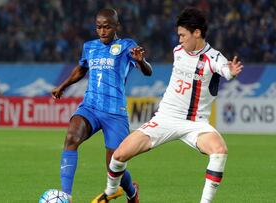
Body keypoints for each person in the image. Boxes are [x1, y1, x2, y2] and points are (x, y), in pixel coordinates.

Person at [92, 7, 243, 203]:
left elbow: (225, 69)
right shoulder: (178, 51)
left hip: (195, 123)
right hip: (165, 118)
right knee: (119, 155)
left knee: (219, 150)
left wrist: (230, 71)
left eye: (182, 35)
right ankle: (111, 190)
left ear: (196, 33)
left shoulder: (213, 57)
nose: (179, 40)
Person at [51, 8, 152, 203]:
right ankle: (66, 196)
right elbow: (81, 69)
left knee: (114, 166)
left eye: (107, 27)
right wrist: (63, 86)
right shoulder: (89, 47)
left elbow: (148, 71)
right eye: (99, 27)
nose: (102, 31)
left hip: (115, 112)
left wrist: (141, 62)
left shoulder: (126, 46)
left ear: (116, 26)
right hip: (90, 107)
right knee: (72, 137)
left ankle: (132, 192)